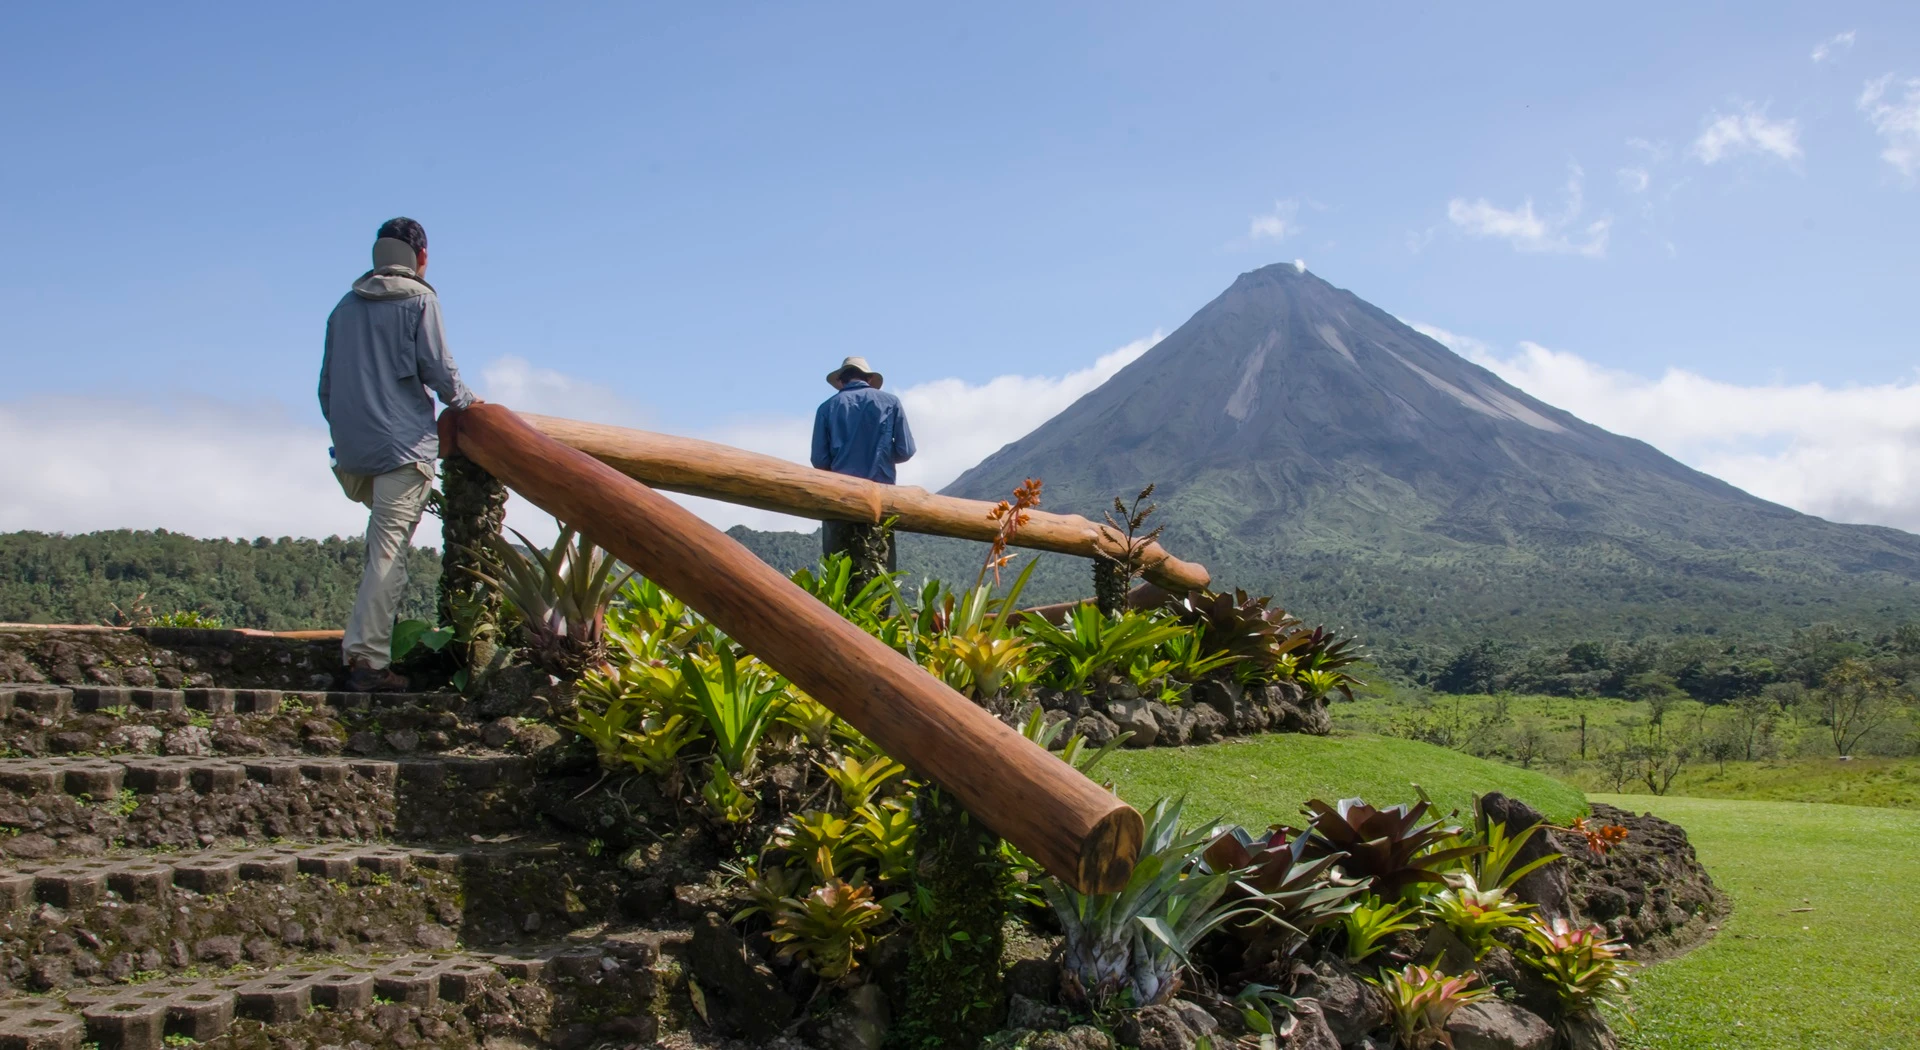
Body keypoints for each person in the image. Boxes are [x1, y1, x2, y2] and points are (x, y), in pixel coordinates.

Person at [318, 217, 477, 692]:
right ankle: (367, 663)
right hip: (402, 447)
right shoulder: (420, 299)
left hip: (352, 450)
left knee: (378, 551)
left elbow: (326, 388)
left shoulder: (343, 308)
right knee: (388, 555)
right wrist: (472, 404)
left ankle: (363, 649)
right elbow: (439, 370)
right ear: (421, 257)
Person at [810, 356, 916, 572]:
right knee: (879, 572)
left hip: (839, 499)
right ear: (868, 378)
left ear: (841, 380)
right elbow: (906, 450)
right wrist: (881, 454)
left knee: (840, 574)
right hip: (882, 500)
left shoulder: (826, 408)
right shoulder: (891, 402)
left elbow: (819, 460)